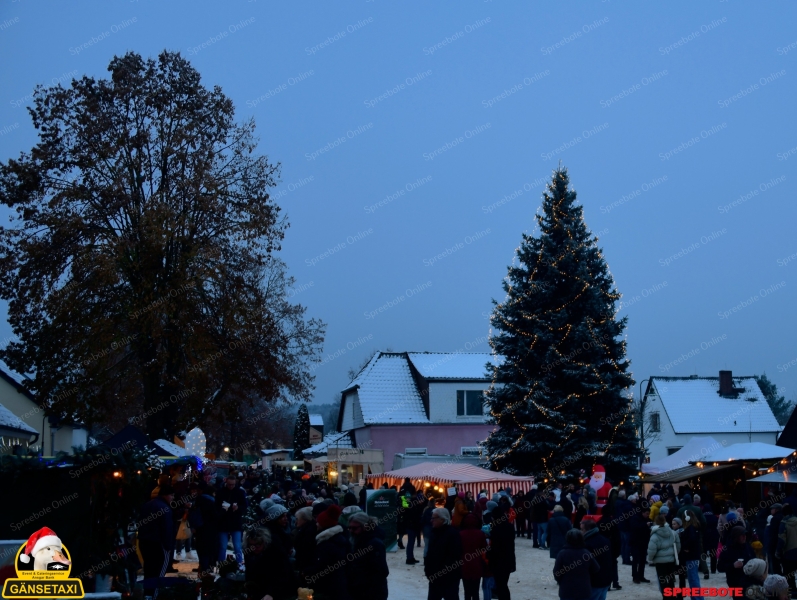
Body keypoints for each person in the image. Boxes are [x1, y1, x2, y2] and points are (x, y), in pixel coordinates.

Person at [138, 484, 175, 598]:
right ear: (166, 495)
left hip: (145, 542)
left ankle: (147, 594)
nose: (173, 498)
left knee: (149, 569)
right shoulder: (165, 508)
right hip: (159, 544)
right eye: (172, 495)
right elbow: (167, 529)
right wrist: (168, 546)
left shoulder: (147, 505)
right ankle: (154, 594)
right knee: (159, 572)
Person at [308, 504, 351, 600]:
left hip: (331, 590)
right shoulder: (336, 539)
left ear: (324, 524)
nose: (316, 524)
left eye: (318, 522)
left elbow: (323, 566)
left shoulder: (329, 543)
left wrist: (307, 572)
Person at [243, 528, 295, 600]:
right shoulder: (248, 551)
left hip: (280, 588)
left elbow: (283, 573)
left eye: (258, 545)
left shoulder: (275, 550)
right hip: (260, 587)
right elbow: (249, 571)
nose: (255, 548)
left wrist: (271, 593)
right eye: (252, 545)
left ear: (264, 542)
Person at [347, 512, 389, 600]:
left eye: (354, 528)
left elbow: (381, 571)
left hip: (371, 593)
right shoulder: (355, 541)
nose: (351, 531)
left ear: (365, 527)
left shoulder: (374, 544)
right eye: (349, 528)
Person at [424, 507, 463, 600]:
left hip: (449, 578)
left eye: (434, 518)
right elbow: (430, 554)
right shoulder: (434, 533)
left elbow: (455, 556)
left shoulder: (453, 534)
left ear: (442, 519)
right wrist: (428, 570)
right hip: (434, 577)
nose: (431, 520)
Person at [553, 529, 598, 600]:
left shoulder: (562, 553)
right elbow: (595, 569)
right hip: (584, 589)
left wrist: (561, 581)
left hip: (567, 590)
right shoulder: (586, 553)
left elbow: (556, 572)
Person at [216, 474, 248, 569]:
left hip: (235, 522)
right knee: (222, 546)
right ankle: (221, 565)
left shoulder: (240, 492)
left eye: (233, 484)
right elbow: (216, 506)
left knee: (237, 546)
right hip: (223, 522)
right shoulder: (220, 492)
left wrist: (238, 508)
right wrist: (222, 509)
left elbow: (245, 505)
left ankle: (239, 564)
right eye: (229, 484)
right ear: (226, 482)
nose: (231, 486)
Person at [647, 514, 680, 596]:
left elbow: (652, 550)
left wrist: (650, 558)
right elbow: (678, 545)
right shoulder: (673, 533)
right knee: (671, 582)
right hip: (671, 561)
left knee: (663, 582)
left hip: (660, 562)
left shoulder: (654, 536)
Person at [190, 482, 219, 576]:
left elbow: (194, 514)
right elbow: (215, 516)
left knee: (202, 549)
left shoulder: (199, 500)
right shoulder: (212, 501)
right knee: (209, 549)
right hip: (210, 529)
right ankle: (208, 567)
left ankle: (203, 567)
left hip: (201, 528)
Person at [581, 519, 613, 600]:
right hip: (606, 579)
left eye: (582, 529)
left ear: (588, 530)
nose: (580, 532)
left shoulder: (588, 543)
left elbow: (587, 565)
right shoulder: (605, 540)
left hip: (595, 582)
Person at [490, 504, 516, 600]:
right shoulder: (509, 526)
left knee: (501, 585)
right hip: (508, 558)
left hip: (498, 560)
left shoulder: (495, 528)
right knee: (503, 584)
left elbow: (494, 547)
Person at [459, 513, 487, 600]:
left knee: (467, 590)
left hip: (464, 563)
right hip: (477, 563)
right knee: (475, 591)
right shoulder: (480, 534)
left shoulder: (460, 534)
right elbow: (484, 548)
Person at [679, 510, 703, 600]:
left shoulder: (691, 528)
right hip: (694, 555)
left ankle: (696, 598)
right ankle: (698, 598)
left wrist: (685, 546)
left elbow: (692, 539)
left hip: (691, 556)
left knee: (693, 579)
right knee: (694, 578)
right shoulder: (695, 526)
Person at [292, 506, 316, 584]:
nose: (296, 522)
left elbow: (305, 550)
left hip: (306, 565)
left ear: (304, 519)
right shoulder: (305, 529)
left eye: (297, 519)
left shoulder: (307, 532)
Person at [777, 503, 797, 590]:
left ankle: (792, 592)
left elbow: (782, 540)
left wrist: (778, 552)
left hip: (789, 553)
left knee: (789, 575)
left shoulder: (784, 523)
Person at [630, 505, 652, 584]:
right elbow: (635, 527)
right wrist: (645, 525)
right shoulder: (635, 518)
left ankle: (641, 576)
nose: (647, 515)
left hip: (644, 543)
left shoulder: (647, 519)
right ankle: (635, 576)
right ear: (642, 513)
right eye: (646, 513)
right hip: (635, 543)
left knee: (642, 560)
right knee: (635, 560)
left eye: (648, 513)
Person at [615, 490, 634, 566]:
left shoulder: (616, 503)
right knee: (627, 543)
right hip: (625, 525)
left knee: (623, 543)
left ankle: (624, 558)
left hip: (619, 524)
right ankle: (626, 559)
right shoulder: (625, 504)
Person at [702, 504, 720, 578]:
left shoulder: (703, 517)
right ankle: (713, 569)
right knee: (713, 553)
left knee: (704, 553)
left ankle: (703, 568)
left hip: (704, 536)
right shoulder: (714, 517)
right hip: (714, 536)